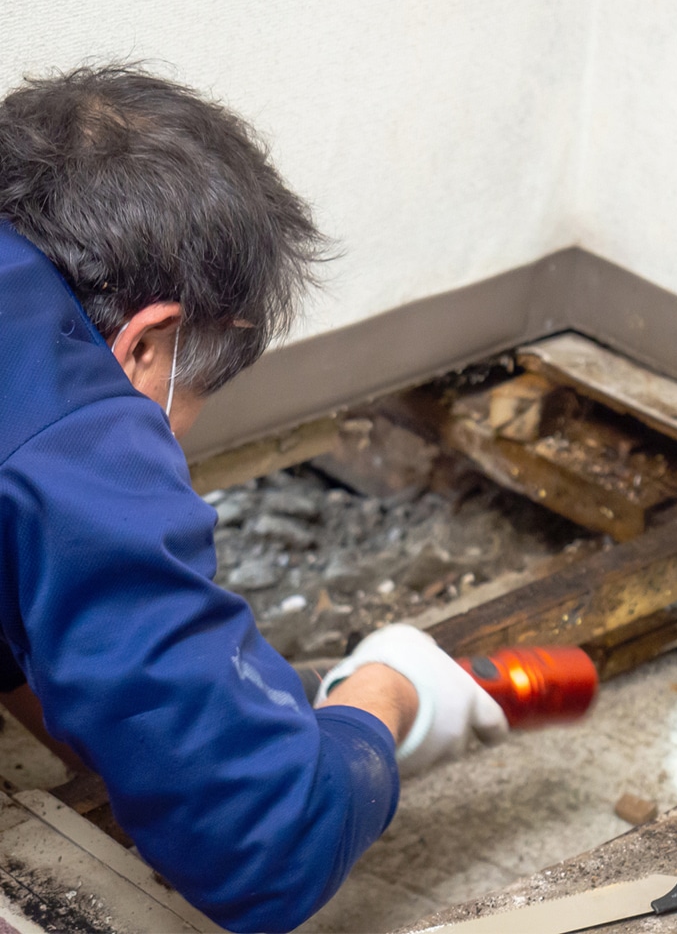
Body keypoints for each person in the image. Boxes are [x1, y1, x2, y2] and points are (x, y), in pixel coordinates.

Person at [0, 64, 508, 933]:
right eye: (202, 394)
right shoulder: (75, 440)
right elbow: (265, 852)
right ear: (149, 345)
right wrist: (387, 700)